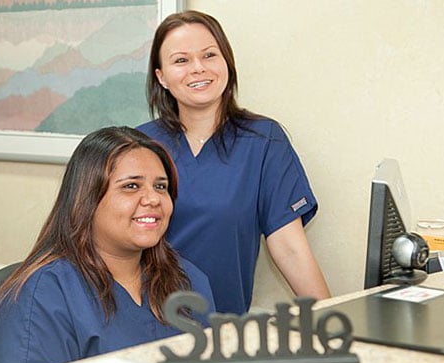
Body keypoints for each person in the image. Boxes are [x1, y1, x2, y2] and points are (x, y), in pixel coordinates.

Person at [137, 10, 330, 315]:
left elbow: (290, 248)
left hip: (219, 329)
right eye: (181, 60)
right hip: (141, 321)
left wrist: (330, 321)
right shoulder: (137, 146)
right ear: (161, 76)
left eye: (209, 55)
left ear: (227, 63)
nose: (198, 69)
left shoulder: (265, 142)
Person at [0, 126, 215, 363]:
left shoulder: (188, 279)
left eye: (160, 187)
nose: (153, 199)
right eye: (131, 186)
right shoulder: (40, 296)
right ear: (86, 199)